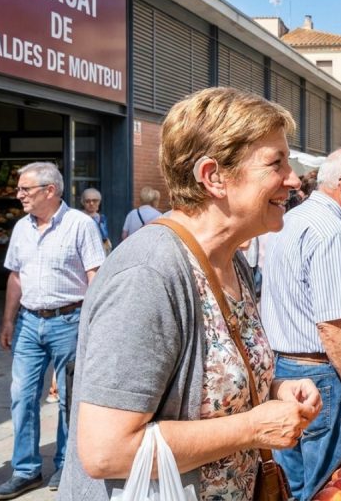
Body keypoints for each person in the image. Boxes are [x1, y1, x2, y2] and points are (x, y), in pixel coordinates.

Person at [59, 87, 321, 500]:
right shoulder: (148, 273)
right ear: (214, 177)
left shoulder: (228, 259)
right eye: (276, 163)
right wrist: (253, 427)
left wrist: (271, 391)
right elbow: (105, 451)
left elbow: (211, 390)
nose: (293, 179)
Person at [261, 149, 341, 501]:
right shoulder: (331, 232)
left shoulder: (293, 219)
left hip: (285, 370)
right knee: (326, 486)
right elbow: (331, 325)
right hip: (320, 375)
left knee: (293, 484)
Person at [0, 162, 106, 499]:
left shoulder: (80, 225)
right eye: (18, 189)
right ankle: (25, 470)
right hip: (29, 322)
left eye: (25, 189)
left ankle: (65, 464)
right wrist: (9, 319)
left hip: (69, 321)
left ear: (50, 190)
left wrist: (93, 325)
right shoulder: (21, 228)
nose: (19, 195)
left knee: (68, 399)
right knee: (21, 396)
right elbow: (16, 277)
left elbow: (95, 275)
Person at [80, 188, 110, 254]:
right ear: (83, 202)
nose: (91, 203)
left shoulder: (102, 218)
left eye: (95, 201)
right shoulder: (79, 218)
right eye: (87, 201)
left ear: (99, 202)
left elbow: (105, 237)